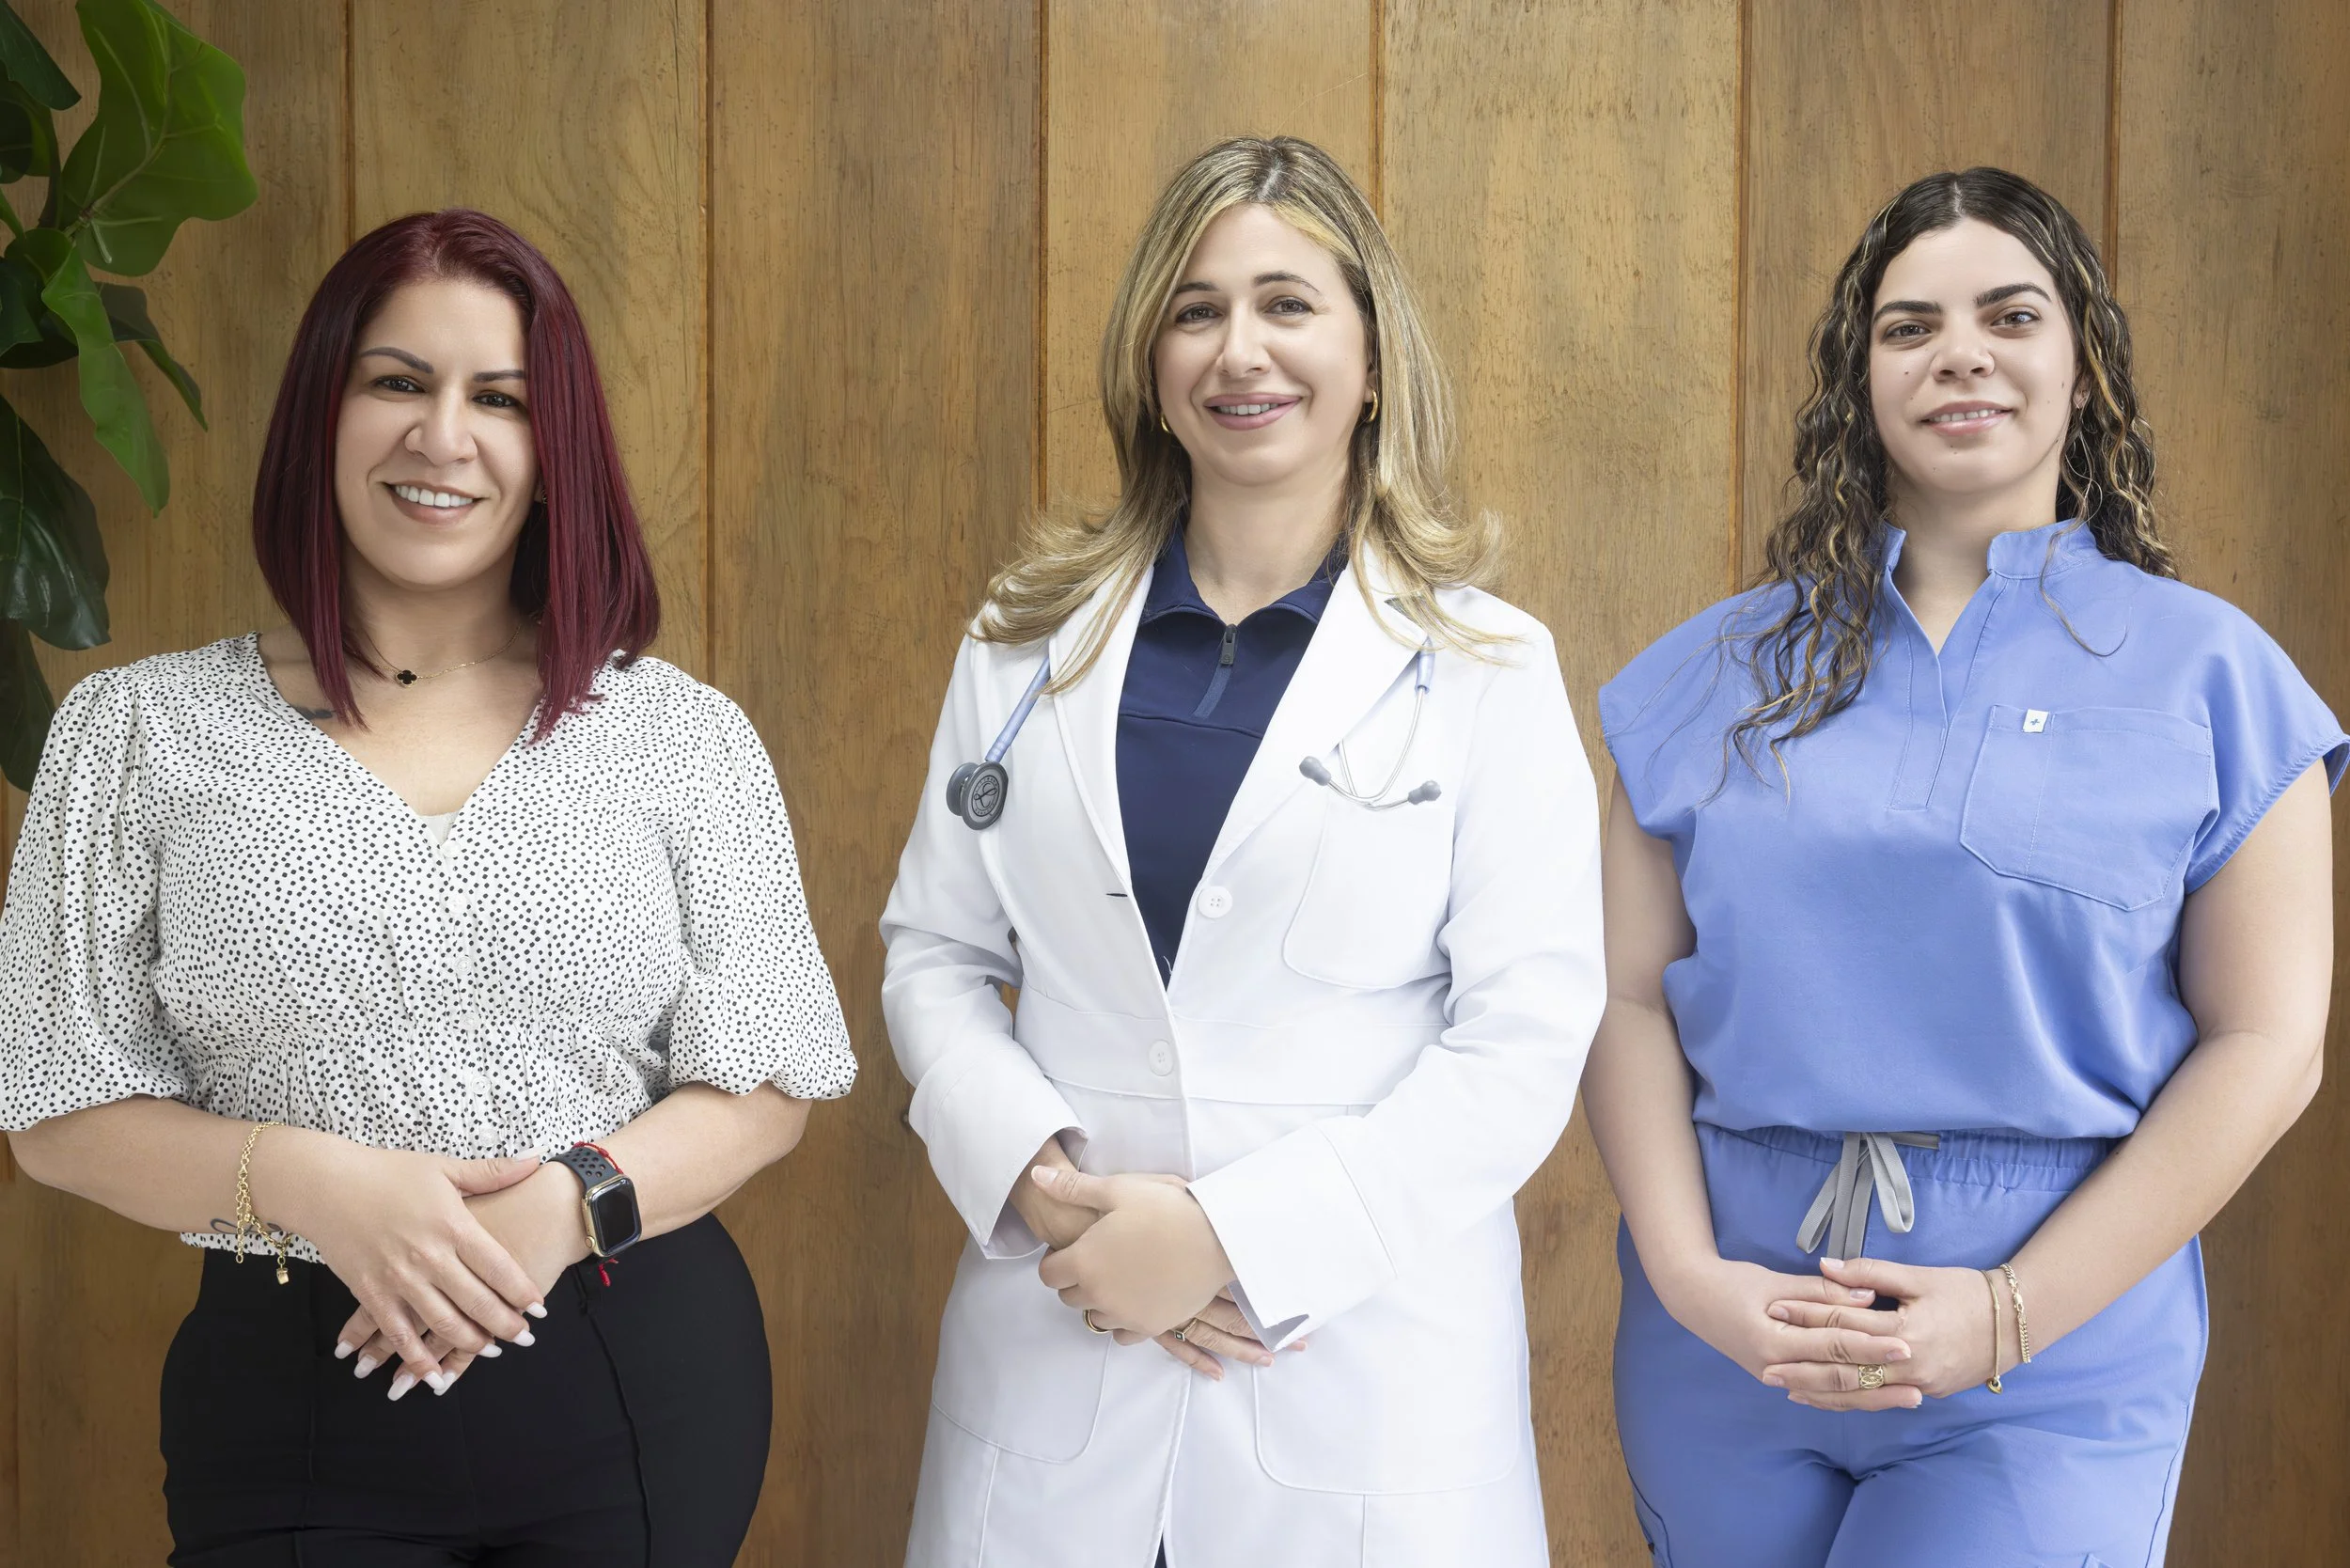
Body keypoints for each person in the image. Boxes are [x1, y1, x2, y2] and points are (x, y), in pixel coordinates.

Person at [0, 209, 855, 1566]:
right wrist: (316, 1182)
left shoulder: (680, 735)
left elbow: (767, 1083)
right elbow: (59, 1109)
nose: (442, 437)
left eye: (499, 399)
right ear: (321, 418)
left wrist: (561, 1209)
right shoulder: (135, 734)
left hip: (634, 1374)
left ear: (551, 450)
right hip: (295, 1391)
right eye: (397, 382)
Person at [1584, 166, 2342, 1566]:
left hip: (2047, 1354)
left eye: (2011, 314)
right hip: (1731, 1343)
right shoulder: (1702, 679)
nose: (1961, 356)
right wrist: (1695, 1283)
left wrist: (2004, 1314)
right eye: (1910, 326)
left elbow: (2270, 1044)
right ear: (1856, 377)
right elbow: (1626, 1000)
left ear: (2085, 365)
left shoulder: (2221, 680)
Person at [880, 135, 1604, 1568]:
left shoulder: (1486, 667)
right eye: (1197, 309)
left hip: (1353, 1386)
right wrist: (1034, 1177)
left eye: (1288, 303)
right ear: (1153, 360)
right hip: (1059, 1341)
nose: (1240, 351)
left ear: (1373, 354)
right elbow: (935, 955)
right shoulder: (1022, 649)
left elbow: (1528, 1033)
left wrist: (1234, 1239)